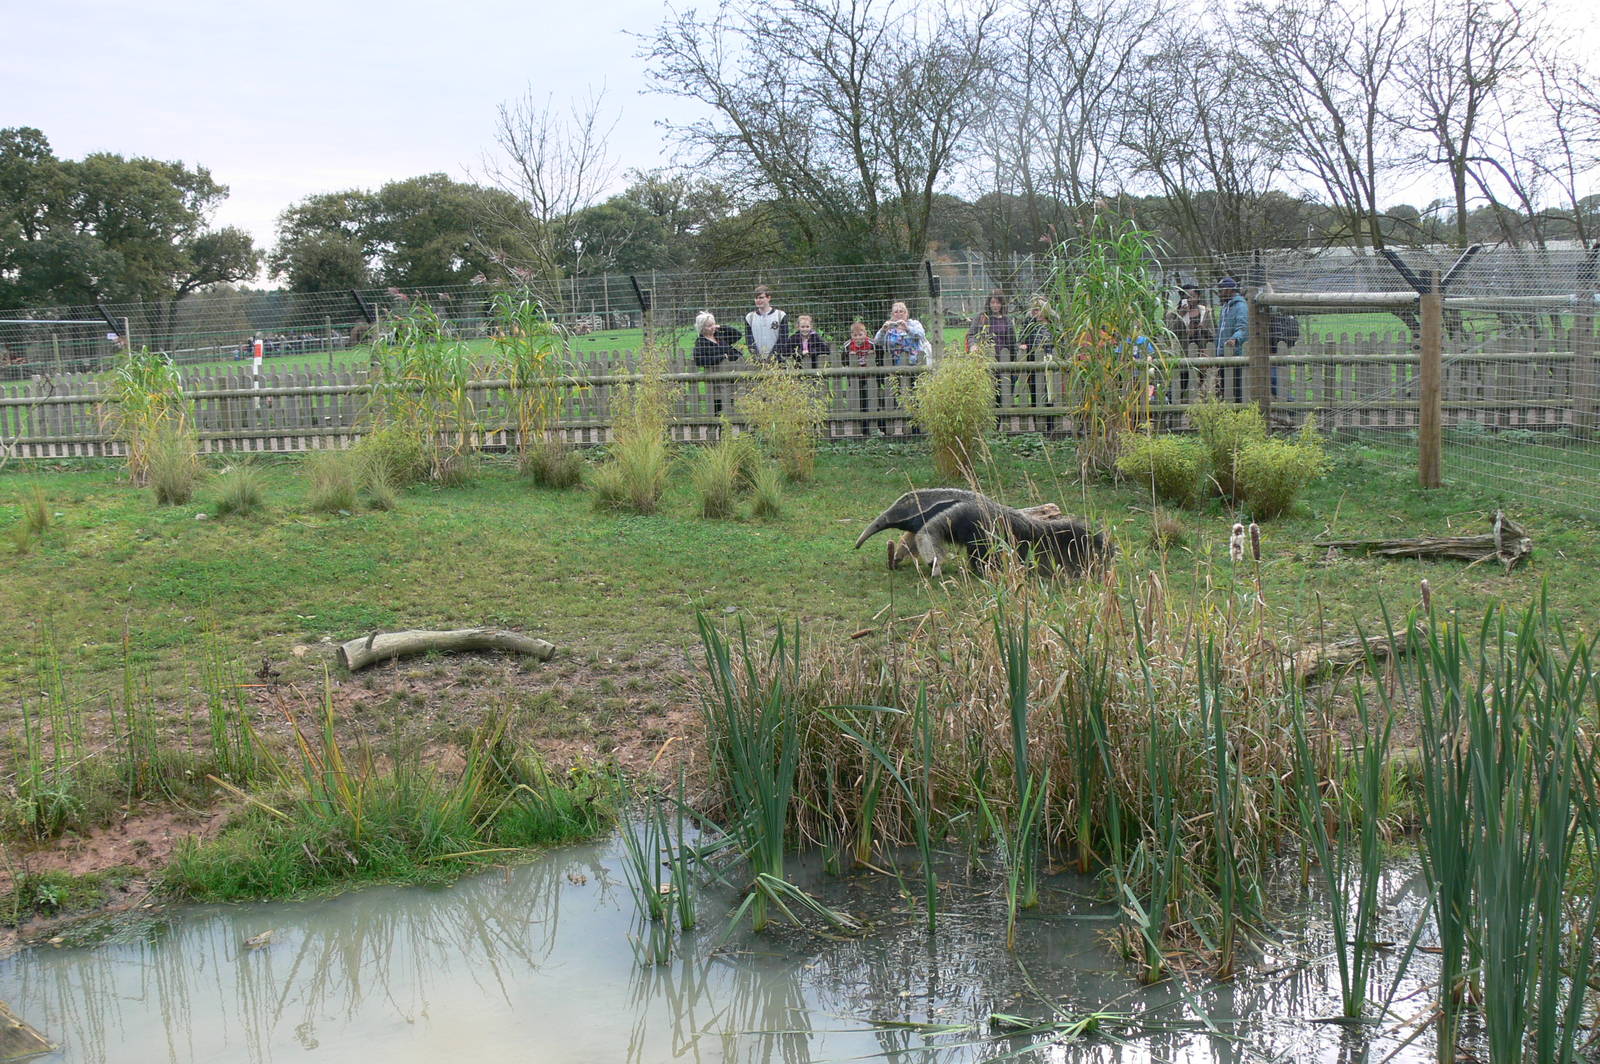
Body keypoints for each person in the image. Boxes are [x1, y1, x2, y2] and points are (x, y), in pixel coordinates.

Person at [1166, 285, 1214, 401]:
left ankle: (1199, 406)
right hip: (1183, 354)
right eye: (1187, 297)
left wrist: (1203, 329)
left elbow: (1212, 335)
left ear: (1198, 297)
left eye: (1193, 296)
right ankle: (1172, 403)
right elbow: (1170, 333)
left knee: (1201, 385)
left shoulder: (1205, 313)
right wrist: (1181, 315)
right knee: (1180, 383)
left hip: (1201, 355)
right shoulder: (1174, 314)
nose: (1190, 299)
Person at [692, 310, 743, 416]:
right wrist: (721, 357)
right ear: (702, 328)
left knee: (733, 399)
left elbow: (738, 335)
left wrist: (722, 327)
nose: (713, 327)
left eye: (713, 324)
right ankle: (719, 424)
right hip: (715, 380)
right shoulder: (701, 342)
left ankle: (732, 422)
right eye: (709, 326)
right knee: (719, 404)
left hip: (731, 375)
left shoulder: (720, 336)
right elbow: (699, 360)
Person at [1019, 298, 1057, 432]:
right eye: (1034, 310)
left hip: (1050, 363)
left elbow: (1060, 341)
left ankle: (1051, 425)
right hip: (1033, 364)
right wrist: (1022, 345)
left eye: (1039, 309)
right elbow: (1021, 339)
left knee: (1050, 393)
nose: (1037, 313)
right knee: (1035, 392)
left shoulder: (1053, 325)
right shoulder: (1029, 325)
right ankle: (1037, 426)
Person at [843, 320, 882, 435]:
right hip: (856, 377)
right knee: (859, 399)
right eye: (855, 335)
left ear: (865, 334)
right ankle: (863, 429)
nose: (858, 338)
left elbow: (881, 355)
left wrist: (874, 355)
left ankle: (878, 427)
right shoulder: (847, 346)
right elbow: (843, 360)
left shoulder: (872, 343)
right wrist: (849, 357)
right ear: (851, 335)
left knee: (873, 398)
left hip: (870, 375)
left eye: (860, 335)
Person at [1215, 277, 1249, 402]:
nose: (1219, 293)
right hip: (1223, 354)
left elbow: (1243, 327)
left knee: (1237, 388)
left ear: (1229, 290)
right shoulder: (1225, 307)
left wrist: (1235, 339)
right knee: (1225, 388)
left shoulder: (1241, 306)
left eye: (1221, 290)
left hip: (1236, 354)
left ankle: (1240, 410)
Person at [872, 301, 930, 367]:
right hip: (893, 365)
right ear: (892, 315)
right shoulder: (889, 326)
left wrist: (907, 328)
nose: (899, 314)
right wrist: (883, 330)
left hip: (917, 363)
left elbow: (921, 335)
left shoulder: (914, 324)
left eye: (901, 311)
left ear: (906, 313)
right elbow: (877, 342)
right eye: (896, 312)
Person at [744, 285, 790, 361]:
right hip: (758, 361)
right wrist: (756, 356)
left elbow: (783, 338)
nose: (758, 300)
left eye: (761, 297)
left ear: (769, 298)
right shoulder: (749, 317)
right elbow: (749, 339)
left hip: (777, 360)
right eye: (756, 298)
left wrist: (772, 356)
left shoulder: (780, 315)